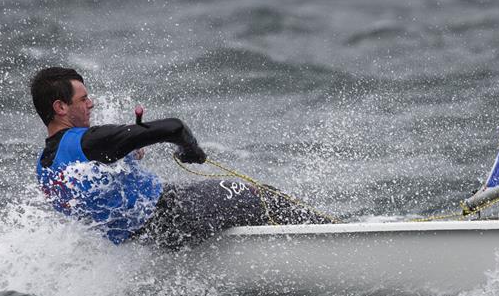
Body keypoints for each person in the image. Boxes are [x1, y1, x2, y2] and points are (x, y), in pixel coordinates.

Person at [31, 67, 329, 248]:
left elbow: (97, 196)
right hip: (173, 214)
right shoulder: (88, 141)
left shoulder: (46, 164)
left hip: (144, 238)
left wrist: (126, 155)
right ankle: (331, 236)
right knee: (257, 195)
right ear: (60, 107)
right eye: (83, 99)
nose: (91, 103)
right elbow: (174, 127)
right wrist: (190, 151)